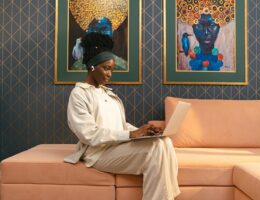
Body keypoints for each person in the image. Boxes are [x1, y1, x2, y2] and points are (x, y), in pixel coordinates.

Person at [64, 32, 181, 200]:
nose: (110, 74)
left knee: (164, 141)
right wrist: (130, 135)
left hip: (116, 148)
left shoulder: (109, 95)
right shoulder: (79, 94)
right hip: (98, 154)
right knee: (155, 149)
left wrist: (144, 131)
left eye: (111, 69)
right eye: (106, 68)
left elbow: (121, 125)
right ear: (91, 67)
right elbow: (88, 133)